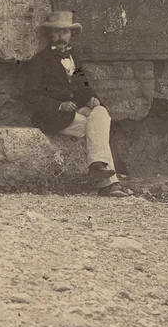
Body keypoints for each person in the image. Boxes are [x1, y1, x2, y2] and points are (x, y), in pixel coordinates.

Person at [25, 10, 128, 197]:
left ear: (71, 35)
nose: (60, 37)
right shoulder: (39, 61)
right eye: (56, 32)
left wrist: (92, 99)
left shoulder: (75, 59)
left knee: (101, 113)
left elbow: (84, 86)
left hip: (74, 114)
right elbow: (29, 96)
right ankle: (108, 184)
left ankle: (98, 166)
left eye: (65, 32)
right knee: (97, 130)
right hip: (52, 116)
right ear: (50, 34)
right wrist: (59, 105)